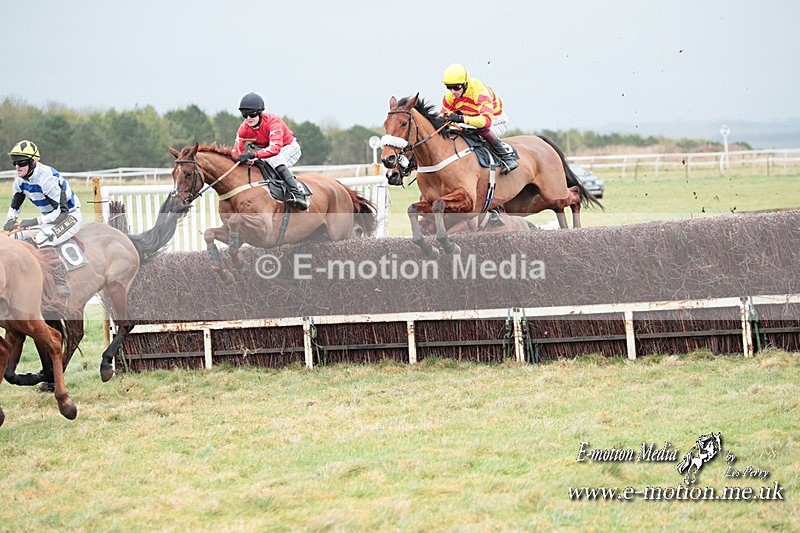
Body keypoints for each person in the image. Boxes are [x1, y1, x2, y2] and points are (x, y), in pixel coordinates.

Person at [4, 140, 82, 297]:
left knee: (43, 237)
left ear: (33, 162)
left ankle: (60, 282)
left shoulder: (47, 179)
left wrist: (34, 222)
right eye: (14, 162)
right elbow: (15, 205)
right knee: (15, 236)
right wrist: (10, 219)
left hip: (69, 216)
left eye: (21, 162)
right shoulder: (20, 180)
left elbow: (62, 213)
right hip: (51, 218)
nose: (17, 166)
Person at [231, 92, 309, 210]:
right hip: (269, 152)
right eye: (244, 115)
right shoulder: (244, 128)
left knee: (273, 159)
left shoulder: (273, 122)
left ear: (260, 112)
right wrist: (242, 159)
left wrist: (252, 154)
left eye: (251, 114)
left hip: (289, 148)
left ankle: (297, 193)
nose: (248, 119)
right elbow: (236, 151)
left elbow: (275, 149)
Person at [439, 63, 518, 173]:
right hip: (473, 119)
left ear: (465, 83)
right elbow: (442, 115)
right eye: (449, 87)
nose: (453, 91)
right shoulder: (450, 96)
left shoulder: (479, 91)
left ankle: (507, 159)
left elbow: (486, 121)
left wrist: (460, 118)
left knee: (479, 129)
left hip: (495, 119)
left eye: (457, 87)